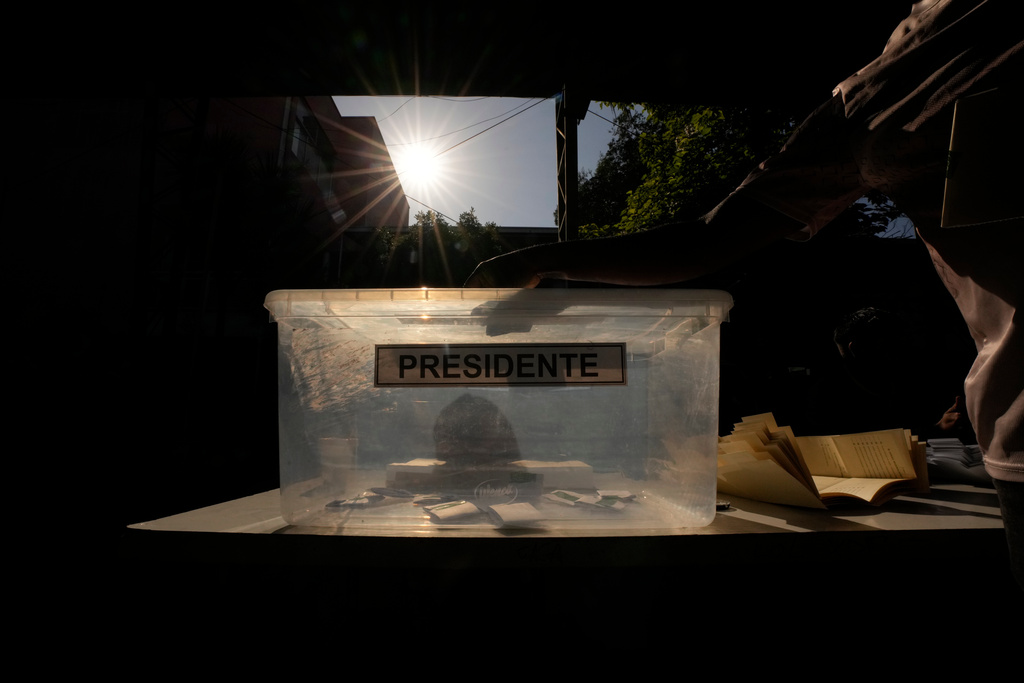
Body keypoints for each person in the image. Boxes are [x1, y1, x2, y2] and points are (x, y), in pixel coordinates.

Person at [465, 0, 1023, 586]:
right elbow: (702, 241)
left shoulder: (905, 73)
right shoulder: (905, 70)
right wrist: (537, 260)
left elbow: (703, 242)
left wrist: (539, 261)